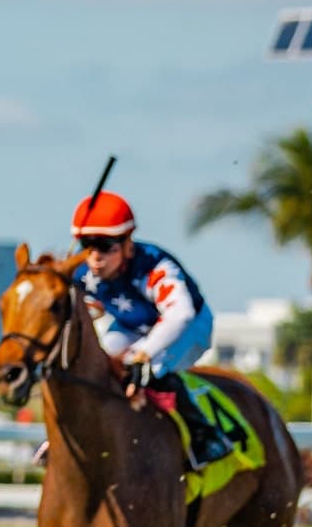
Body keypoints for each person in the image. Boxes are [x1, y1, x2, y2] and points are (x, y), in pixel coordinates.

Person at [69, 189, 227, 467]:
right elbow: (90, 309)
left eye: (105, 246)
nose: (95, 257)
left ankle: (207, 436)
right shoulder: (85, 273)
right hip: (133, 325)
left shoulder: (155, 266)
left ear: (127, 244)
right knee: (97, 365)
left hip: (189, 326)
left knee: (147, 369)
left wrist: (143, 353)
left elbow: (180, 315)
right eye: (87, 245)